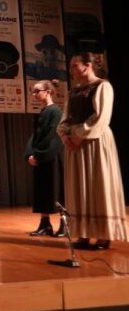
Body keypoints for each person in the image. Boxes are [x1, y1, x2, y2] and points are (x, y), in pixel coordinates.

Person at [57, 52, 127, 250]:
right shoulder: (73, 91)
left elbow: (101, 116)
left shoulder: (102, 86)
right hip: (75, 144)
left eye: (74, 65)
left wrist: (80, 135)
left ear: (87, 65)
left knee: (98, 184)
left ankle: (104, 234)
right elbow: (65, 117)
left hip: (94, 141)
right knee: (78, 187)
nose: (71, 70)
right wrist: (64, 135)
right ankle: (84, 233)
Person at [24, 80, 65, 237]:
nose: (34, 94)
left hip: (51, 156)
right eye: (33, 92)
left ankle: (64, 225)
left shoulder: (55, 111)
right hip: (40, 156)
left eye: (37, 91)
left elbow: (53, 136)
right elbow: (35, 135)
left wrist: (39, 154)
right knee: (42, 190)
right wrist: (30, 154)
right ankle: (45, 224)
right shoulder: (42, 111)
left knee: (57, 191)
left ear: (48, 91)